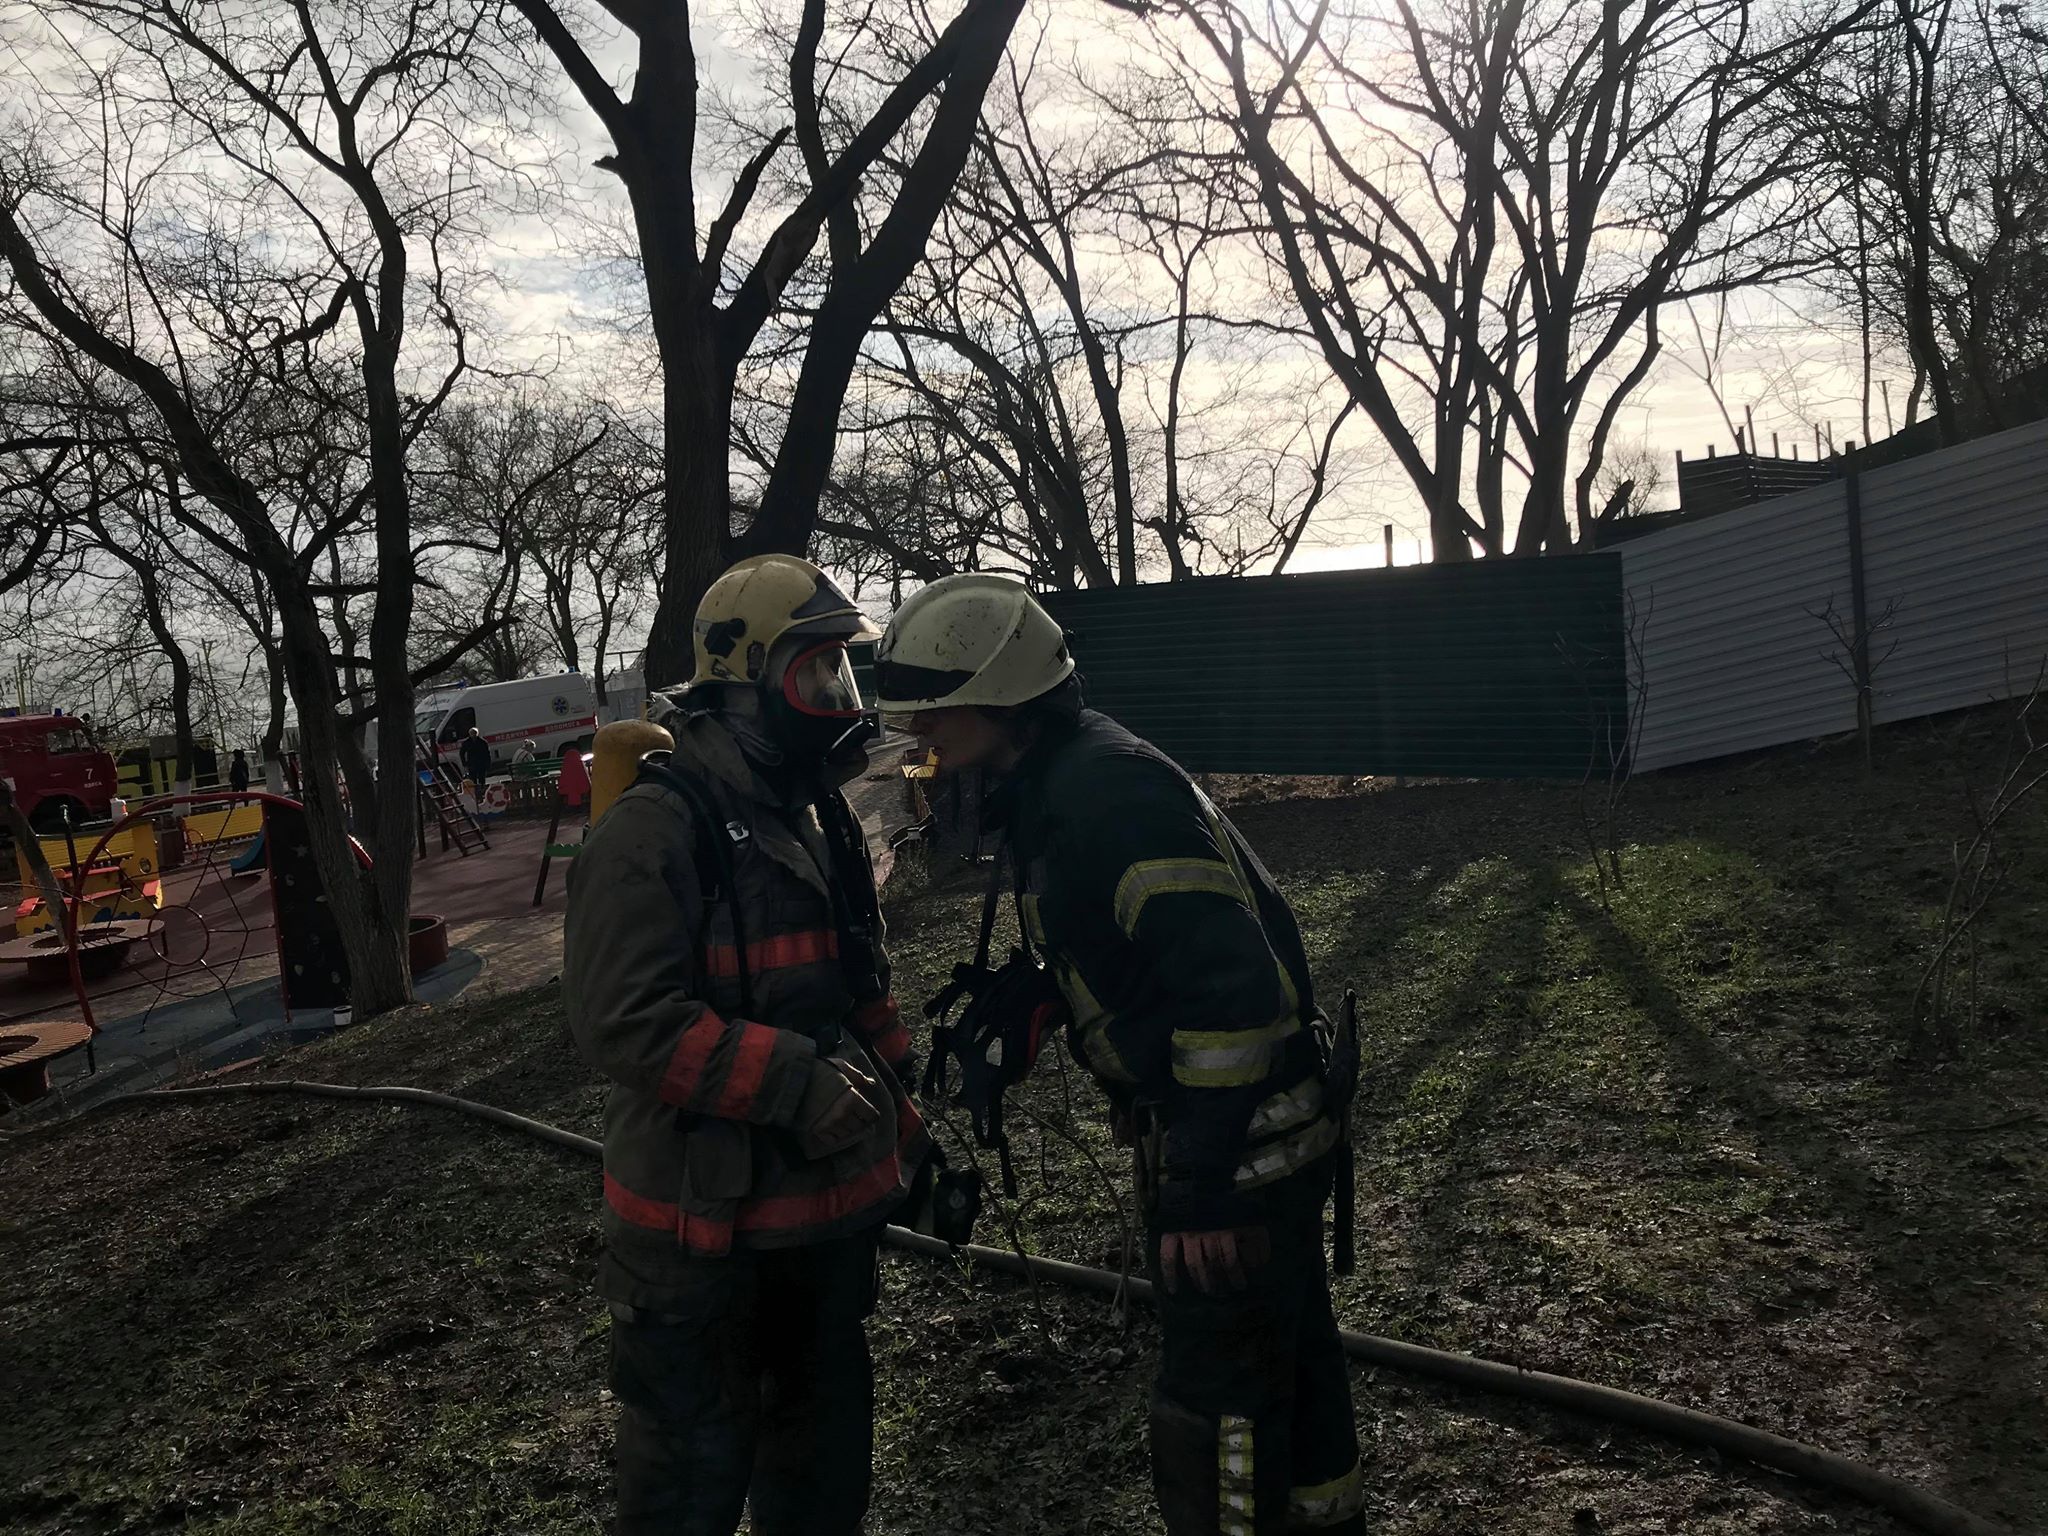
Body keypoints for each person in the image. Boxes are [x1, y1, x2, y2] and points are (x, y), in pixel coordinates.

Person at [877, 574, 1365, 1536]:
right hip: (1258, 1142)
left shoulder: (1105, 797)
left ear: (1003, 693)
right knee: (1295, 1382)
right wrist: (1058, 990)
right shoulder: (1065, 780)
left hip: (1241, 1157)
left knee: (1218, 1418)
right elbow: (1161, 951)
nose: (921, 735)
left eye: (936, 708)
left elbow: (1234, 994)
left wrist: (1203, 1191)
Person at [563, 553, 922, 1536]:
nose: (839, 699)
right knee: (687, 1491)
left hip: (818, 1234)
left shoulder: (821, 816)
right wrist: (795, 1084)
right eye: (817, 674)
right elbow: (626, 1021)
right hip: (696, 1248)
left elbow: (858, 989)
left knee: (820, 1485)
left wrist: (908, 1130)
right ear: (745, 682)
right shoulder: (652, 831)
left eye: (843, 672)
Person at [458, 725, 492, 791]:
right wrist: (464, 763)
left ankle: (482, 789)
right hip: (472, 763)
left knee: (482, 778)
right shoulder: (467, 743)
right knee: (473, 779)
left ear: (477, 733)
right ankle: (475, 790)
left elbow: (487, 754)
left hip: (481, 763)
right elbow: (462, 753)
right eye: (472, 733)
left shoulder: (482, 742)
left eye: (474, 733)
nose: (473, 735)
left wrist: (488, 763)